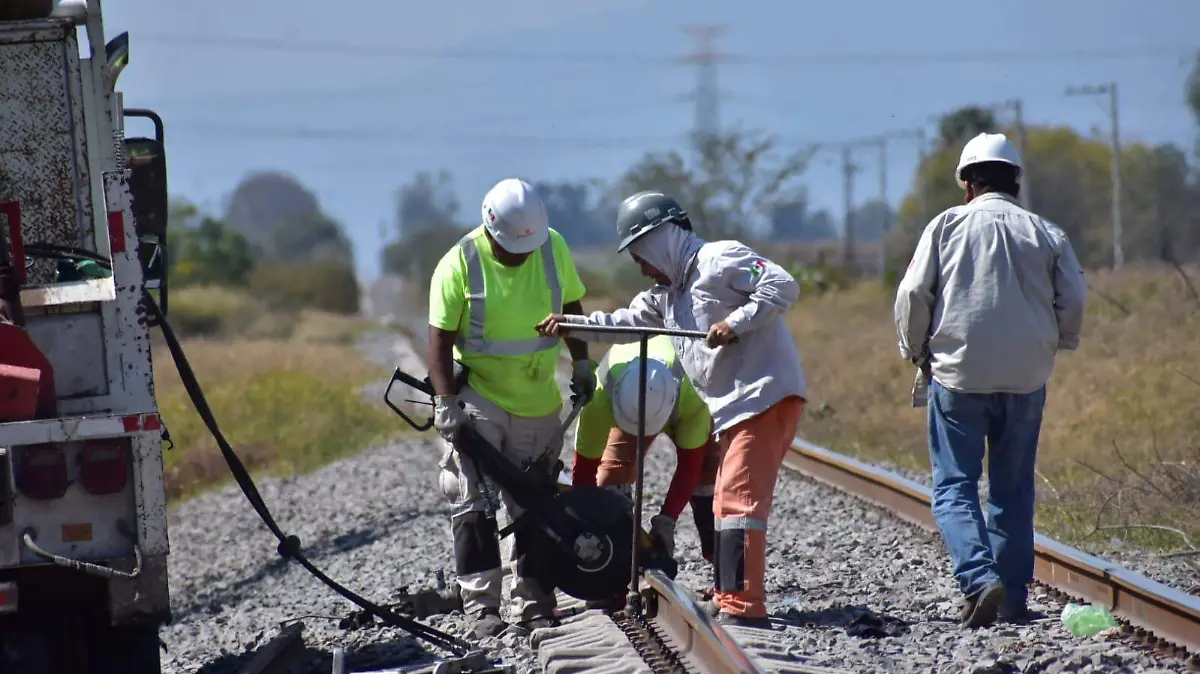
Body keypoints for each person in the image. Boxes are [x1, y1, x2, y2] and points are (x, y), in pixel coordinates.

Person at [535, 191, 806, 628]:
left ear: (660, 239)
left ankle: (743, 606)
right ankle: (729, 592)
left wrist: (734, 323)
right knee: (725, 501)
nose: (640, 266)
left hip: (764, 394)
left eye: (640, 254)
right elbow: (622, 323)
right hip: (737, 405)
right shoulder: (666, 297)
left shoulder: (721, 259)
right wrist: (571, 323)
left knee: (738, 501)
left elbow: (782, 285)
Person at [894, 132, 1087, 628]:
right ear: (1016, 182)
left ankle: (981, 580)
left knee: (955, 486)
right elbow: (1075, 298)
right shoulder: (1046, 232)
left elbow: (914, 294)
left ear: (968, 185)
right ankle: (1015, 597)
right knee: (1013, 488)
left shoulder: (946, 226)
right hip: (1026, 377)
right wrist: (1057, 342)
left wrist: (916, 351)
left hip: (958, 375)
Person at [428, 177, 595, 638]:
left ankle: (536, 605)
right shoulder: (459, 262)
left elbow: (573, 306)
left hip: (537, 399)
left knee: (536, 503)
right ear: (489, 229)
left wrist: (582, 364)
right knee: (474, 502)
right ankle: (482, 607)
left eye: (527, 248)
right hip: (480, 397)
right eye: (511, 250)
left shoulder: (550, 246)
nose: (521, 256)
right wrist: (447, 405)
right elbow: (439, 339)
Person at [570, 335, 721, 569]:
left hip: (683, 396)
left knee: (710, 466)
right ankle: (615, 565)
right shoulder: (600, 397)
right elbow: (584, 474)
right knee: (611, 475)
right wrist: (592, 524)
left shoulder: (693, 389)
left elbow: (691, 464)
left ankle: (720, 564)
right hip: (633, 397)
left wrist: (667, 519)